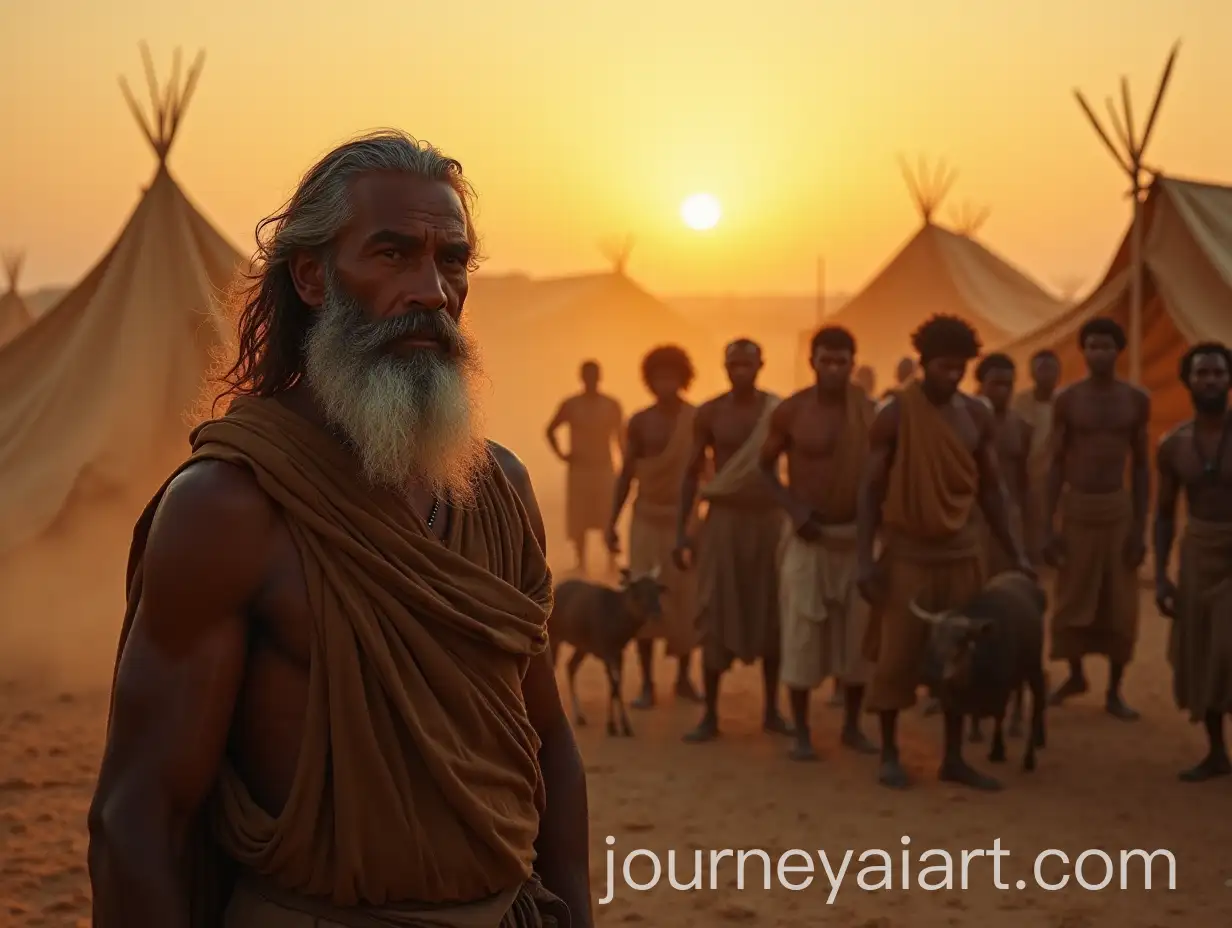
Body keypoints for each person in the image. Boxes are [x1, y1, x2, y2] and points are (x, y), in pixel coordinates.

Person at [86, 131, 591, 928]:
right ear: (315, 276)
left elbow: (549, 745)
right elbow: (139, 818)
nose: (430, 289)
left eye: (451, 260)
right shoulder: (229, 507)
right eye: (392, 255)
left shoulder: (501, 491)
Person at [856, 315, 1031, 791]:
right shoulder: (894, 414)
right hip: (908, 554)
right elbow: (870, 491)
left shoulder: (976, 415)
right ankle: (890, 753)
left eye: (959, 368)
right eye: (942, 367)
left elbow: (993, 490)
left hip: (963, 554)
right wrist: (863, 559)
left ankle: (953, 757)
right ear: (923, 363)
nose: (950, 375)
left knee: (964, 658)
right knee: (896, 656)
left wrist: (1015, 550)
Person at [760, 325, 878, 761]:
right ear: (812, 362)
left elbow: (880, 479)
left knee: (857, 637)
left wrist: (871, 543)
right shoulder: (791, 412)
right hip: (808, 541)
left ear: (853, 362)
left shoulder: (870, 412)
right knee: (802, 636)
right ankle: (803, 732)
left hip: (855, 539)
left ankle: (851, 726)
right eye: (826, 360)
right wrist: (794, 509)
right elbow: (765, 469)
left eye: (842, 361)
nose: (834, 369)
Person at [674, 339, 791, 742]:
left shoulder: (778, 412)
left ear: (761, 365)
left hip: (769, 520)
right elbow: (691, 473)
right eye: (733, 363)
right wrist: (681, 534)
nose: (740, 369)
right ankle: (709, 714)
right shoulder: (710, 413)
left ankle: (773, 710)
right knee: (716, 611)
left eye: (747, 363)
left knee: (772, 611)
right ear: (724, 367)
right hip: (722, 523)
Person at [1044, 317, 1150, 720]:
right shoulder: (1067, 399)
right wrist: (1048, 523)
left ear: (1118, 351)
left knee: (1118, 602)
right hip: (1077, 509)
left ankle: (1115, 690)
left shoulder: (1135, 400)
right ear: (1083, 350)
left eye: (1107, 346)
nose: (1099, 353)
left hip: (1116, 510)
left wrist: (1140, 526)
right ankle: (1075, 675)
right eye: (1092, 346)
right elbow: (1056, 462)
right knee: (1072, 597)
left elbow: (1141, 466)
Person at [1154, 342, 1232, 781]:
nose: (1210, 381)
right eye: (1202, 373)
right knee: (1204, 654)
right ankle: (1217, 752)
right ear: (1187, 381)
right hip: (1199, 554)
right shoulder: (1173, 445)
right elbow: (1164, 513)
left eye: (1218, 373)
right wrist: (1162, 576)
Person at [608, 345, 701, 706]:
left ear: (684, 378)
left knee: (684, 600)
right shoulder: (641, 422)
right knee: (644, 598)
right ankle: (647, 683)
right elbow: (626, 475)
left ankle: (683, 678)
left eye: (672, 376)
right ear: (649, 380)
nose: (666, 383)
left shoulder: (697, 419)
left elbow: (705, 473)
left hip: (684, 524)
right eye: (659, 376)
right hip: (645, 520)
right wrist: (611, 521)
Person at [545, 360, 624, 573]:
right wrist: (563, 455)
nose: (591, 380)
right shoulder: (571, 405)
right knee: (579, 517)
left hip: (604, 467)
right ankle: (581, 563)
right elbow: (550, 429)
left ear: (600, 377)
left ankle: (610, 562)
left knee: (608, 514)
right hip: (580, 469)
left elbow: (621, 437)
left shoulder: (611, 405)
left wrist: (627, 466)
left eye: (594, 375)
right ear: (581, 377)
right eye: (587, 375)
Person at [974, 353, 1034, 575]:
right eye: (996, 384)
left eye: (1008, 384)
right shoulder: (963, 421)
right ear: (981, 384)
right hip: (971, 520)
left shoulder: (1021, 427)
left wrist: (1028, 529)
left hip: (1008, 518)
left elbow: (1023, 479)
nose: (1003, 391)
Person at [1011, 349, 1062, 565]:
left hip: (1058, 482)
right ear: (1032, 373)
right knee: (1029, 535)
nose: (1047, 374)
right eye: (1042, 369)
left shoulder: (1065, 401)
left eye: (1052, 369)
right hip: (1027, 479)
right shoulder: (1019, 403)